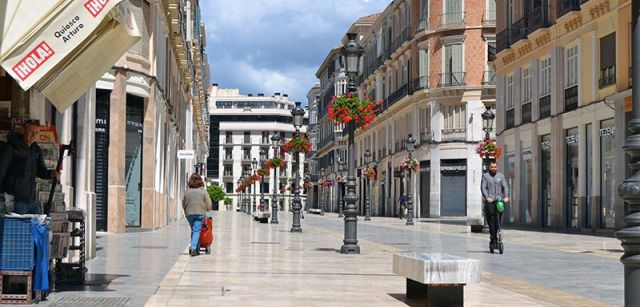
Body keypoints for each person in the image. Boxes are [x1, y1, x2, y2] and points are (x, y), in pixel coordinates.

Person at [0, 120, 58, 214]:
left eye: (36, 132)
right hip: (14, 199)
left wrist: (51, 173)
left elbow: (41, 170)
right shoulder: (11, 148)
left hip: (31, 199)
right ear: (23, 131)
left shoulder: (36, 150)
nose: (33, 135)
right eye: (31, 132)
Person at [481, 160, 510, 251]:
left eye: (495, 167)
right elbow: (483, 188)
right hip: (490, 202)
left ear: (497, 167)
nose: (493, 169)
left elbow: (505, 186)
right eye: (492, 167)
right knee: (491, 222)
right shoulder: (485, 176)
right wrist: (487, 197)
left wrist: (506, 196)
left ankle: (498, 238)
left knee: (498, 221)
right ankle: (493, 240)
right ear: (489, 167)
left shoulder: (501, 176)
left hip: (499, 201)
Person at [182, 173, 212, 256]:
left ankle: (197, 248)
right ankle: (193, 248)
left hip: (189, 214)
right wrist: (208, 209)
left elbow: (183, 202)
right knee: (196, 231)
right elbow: (209, 203)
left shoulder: (187, 191)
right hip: (200, 214)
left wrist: (186, 210)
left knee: (195, 230)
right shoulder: (203, 192)